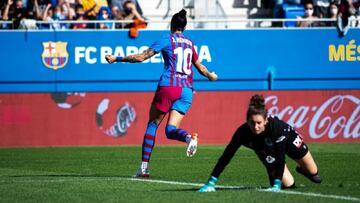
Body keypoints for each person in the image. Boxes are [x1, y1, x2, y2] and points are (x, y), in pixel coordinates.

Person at [105, 9, 218, 177]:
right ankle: (188, 138)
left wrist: (117, 59)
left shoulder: (166, 39)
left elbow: (141, 57)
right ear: (184, 27)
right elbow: (200, 67)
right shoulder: (190, 43)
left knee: (153, 125)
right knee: (170, 129)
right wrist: (210, 75)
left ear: (171, 25)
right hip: (187, 91)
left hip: (169, 87)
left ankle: (143, 169)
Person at [198, 94, 322, 193]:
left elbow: (280, 156)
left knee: (314, 173)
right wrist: (211, 182)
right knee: (288, 184)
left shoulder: (276, 127)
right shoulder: (242, 133)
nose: (256, 127)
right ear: (247, 121)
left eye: (259, 123)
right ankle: (273, 174)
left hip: (288, 139)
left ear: (266, 121)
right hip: (265, 149)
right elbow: (226, 156)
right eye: (252, 123)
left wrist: (276, 184)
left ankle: (303, 170)